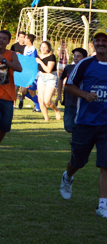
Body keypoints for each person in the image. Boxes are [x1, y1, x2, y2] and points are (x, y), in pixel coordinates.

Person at [59, 29, 107, 218]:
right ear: (93, 44)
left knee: (105, 164)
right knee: (78, 161)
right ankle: (68, 176)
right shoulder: (85, 64)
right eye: (98, 40)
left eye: (105, 40)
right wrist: (86, 95)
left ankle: (103, 205)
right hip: (85, 121)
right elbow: (69, 86)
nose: (102, 43)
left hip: (106, 124)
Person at [57, 48, 88, 133]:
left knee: (80, 124)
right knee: (68, 126)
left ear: (84, 58)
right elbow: (61, 79)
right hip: (69, 100)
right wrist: (59, 95)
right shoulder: (68, 68)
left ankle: (76, 138)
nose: (75, 58)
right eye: (74, 56)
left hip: (82, 100)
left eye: (78, 56)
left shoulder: (87, 69)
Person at [36, 41, 61, 121]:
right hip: (41, 77)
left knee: (47, 101)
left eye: (45, 47)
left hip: (51, 78)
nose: (43, 49)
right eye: (41, 47)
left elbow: (48, 70)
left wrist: (40, 62)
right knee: (41, 101)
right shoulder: (38, 56)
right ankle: (46, 119)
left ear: (49, 48)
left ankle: (57, 110)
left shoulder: (51, 56)